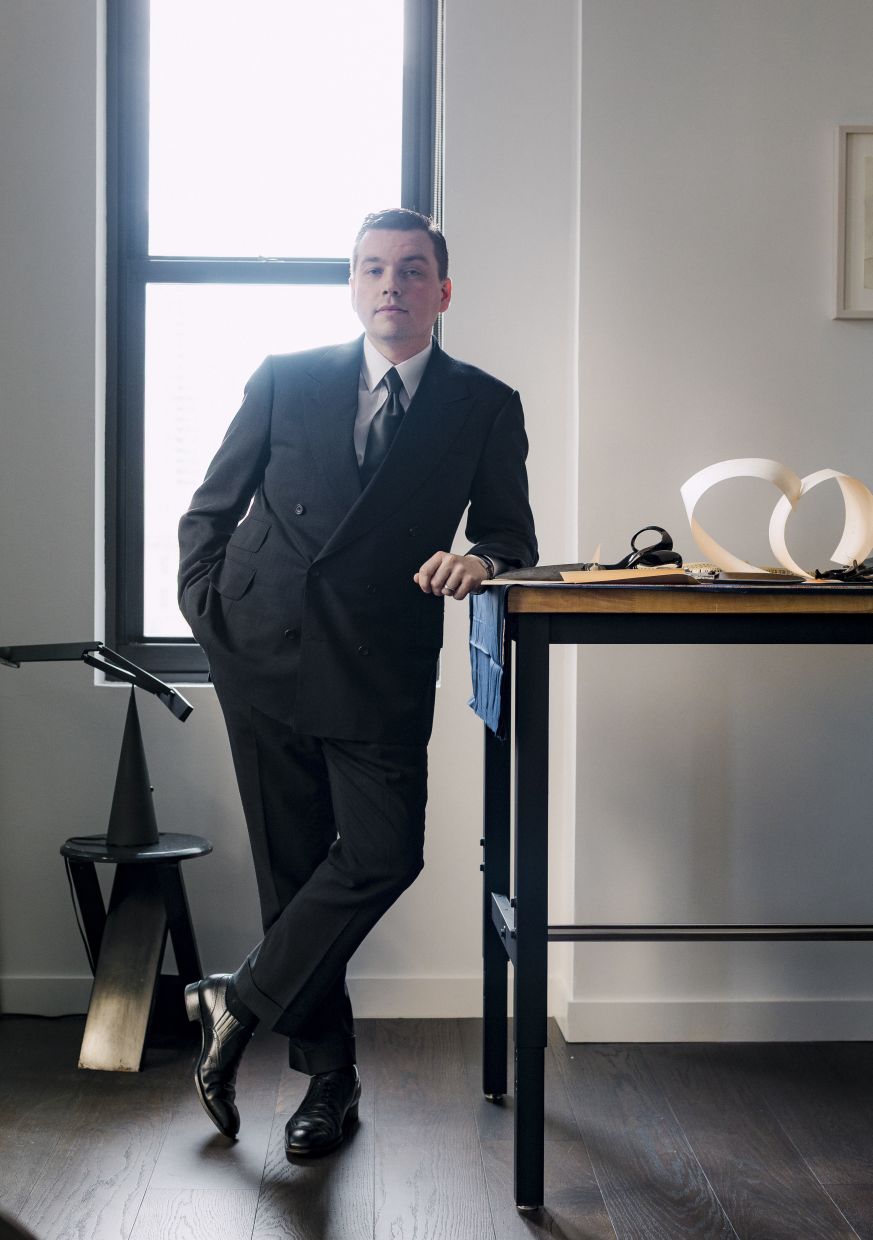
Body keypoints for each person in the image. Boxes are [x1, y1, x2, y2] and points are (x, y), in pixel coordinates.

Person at [178, 208, 537, 1158]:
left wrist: (480, 562)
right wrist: (214, 619)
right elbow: (207, 513)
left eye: (412, 270)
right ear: (352, 286)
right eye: (374, 269)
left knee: (382, 853)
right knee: (293, 873)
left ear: (442, 291)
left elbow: (510, 535)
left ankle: (236, 1002)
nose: (392, 285)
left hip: (377, 657)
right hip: (263, 650)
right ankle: (328, 1085)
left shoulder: (483, 404)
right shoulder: (284, 379)